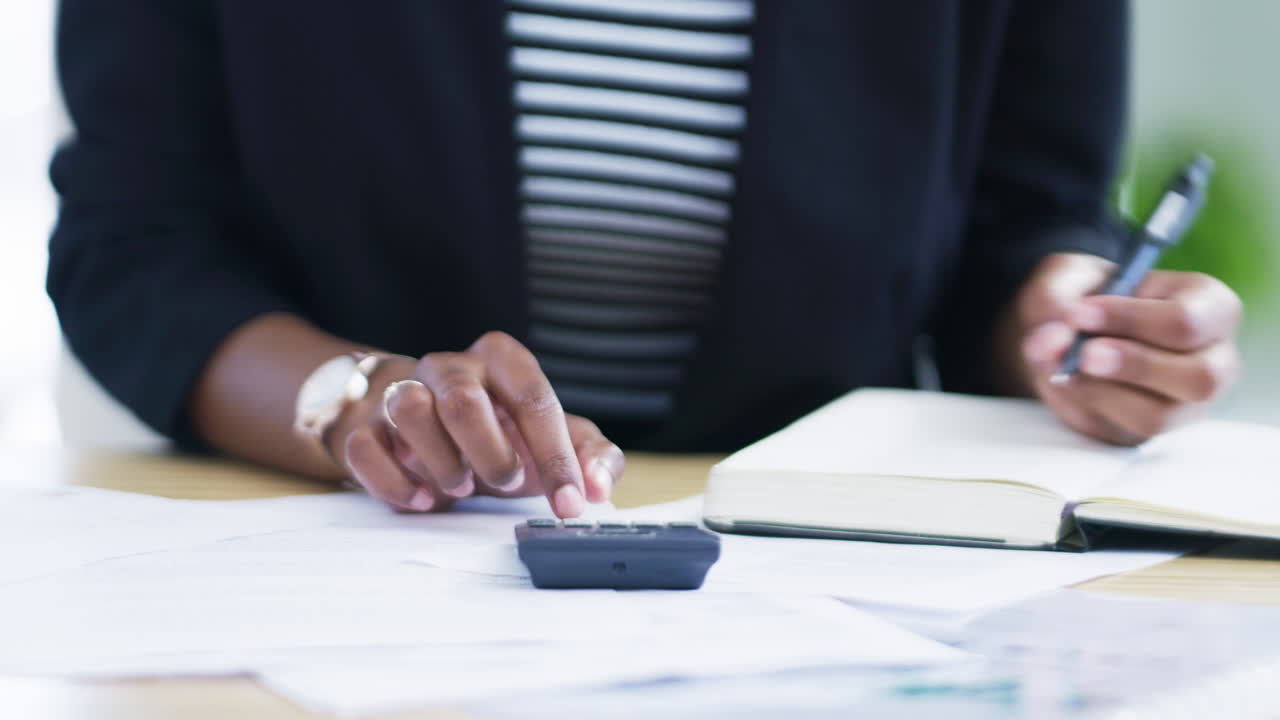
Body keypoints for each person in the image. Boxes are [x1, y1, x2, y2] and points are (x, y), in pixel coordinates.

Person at [48, 1, 1242, 518]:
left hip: (815, 565)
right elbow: (138, 247)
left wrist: (1066, 323)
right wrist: (355, 399)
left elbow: (1021, 225)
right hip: (331, 553)